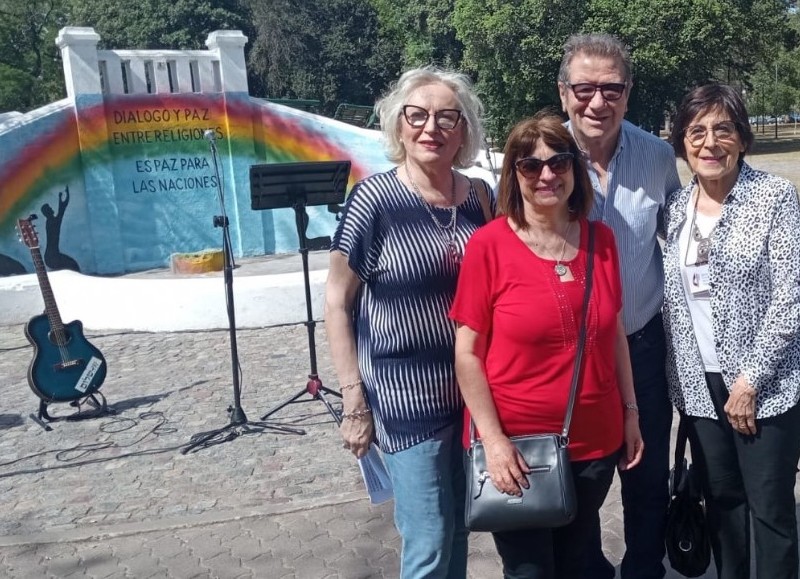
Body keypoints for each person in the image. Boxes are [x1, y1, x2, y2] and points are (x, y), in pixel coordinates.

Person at [450, 112, 644, 579]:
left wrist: (631, 412)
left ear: (575, 170)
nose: (547, 175)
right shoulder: (488, 245)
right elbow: (467, 354)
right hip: (517, 448)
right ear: (513, 175)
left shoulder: (602, 240)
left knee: (582, 560)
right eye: (530, 166)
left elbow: (612, 332)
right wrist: (493, 442)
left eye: (559, 162)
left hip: (594, 439)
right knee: (530, 570)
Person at [324, 66, 493, 579]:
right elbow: (336, 302)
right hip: (405, 398)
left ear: (464, 130)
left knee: (464, 525)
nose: (431, 128)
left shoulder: (480, 197)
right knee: (428, 538)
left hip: (473, 396)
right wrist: (354, 400)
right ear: (398, 126)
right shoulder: (374, 200)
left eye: (447, 117)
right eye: (416, 116)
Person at [557, 33, 681, 579]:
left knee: (647, 477)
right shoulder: (544, 160)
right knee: (577, 486)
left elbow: (678, 245)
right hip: (572, 358)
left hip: (643, 343)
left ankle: (643, 571)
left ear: (628, 95)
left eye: (612, 89)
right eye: (584, 88)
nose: (597, 102)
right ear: (564, 94)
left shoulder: (656, 157)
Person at [664, 83, 800, 579]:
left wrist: (750, 381)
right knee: (722, 504)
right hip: (700, 388)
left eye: (723, 129)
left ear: (742, 138)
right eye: (696, 132)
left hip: (764, 385)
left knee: (771, 511)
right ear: (682, 143)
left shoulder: (774, 199)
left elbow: (792, 297)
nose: (709, 142)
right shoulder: (676, 209)